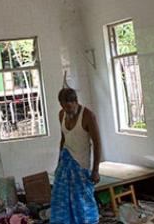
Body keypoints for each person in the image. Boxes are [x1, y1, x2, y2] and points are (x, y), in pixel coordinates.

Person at [50, 87, 102, 224]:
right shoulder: (61, 115)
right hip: (65, 163)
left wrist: (96, 170)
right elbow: (63, 139)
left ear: (76, 102)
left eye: (70, 107)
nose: (68, 111)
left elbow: (97, 143)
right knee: (61, 199)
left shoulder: (88, 116)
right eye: (65, 107)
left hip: (81, 166)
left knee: (82, 201)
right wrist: (58, 162)